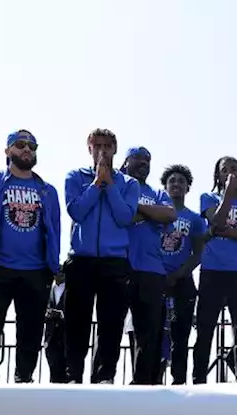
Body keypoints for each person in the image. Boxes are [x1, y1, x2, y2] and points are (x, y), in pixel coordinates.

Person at [0, 130, 62, 383]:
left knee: (30, 332)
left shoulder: (47, 191)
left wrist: (53, 262)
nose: (27, 150)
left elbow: (55, 228)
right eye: (20, 145)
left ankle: (24, 380)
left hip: (36, 270)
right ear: (8, 151)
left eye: (32, 146)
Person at [63, 129, 141, 384]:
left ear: (116, 149)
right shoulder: (76, 177)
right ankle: (73, 374)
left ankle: (104, 376)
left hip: (114, 261)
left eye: (108, 146)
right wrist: (97, 183)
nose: (103, 151)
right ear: (89, 148)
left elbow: (124, 217)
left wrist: (109, 185)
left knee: (111, 323)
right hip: (82, 259)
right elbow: (77, 211)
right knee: (77, 322)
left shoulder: (129, 184)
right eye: (97, 145)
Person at [193, 157, 237, 383]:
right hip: (211, 270)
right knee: (205, 327)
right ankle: (199, 379)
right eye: (224, 170)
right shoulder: (207, 198)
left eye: (234, 169)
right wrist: (227, 195)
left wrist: (222, 232)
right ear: (217, 175)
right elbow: (216, 222)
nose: (229, 173)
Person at [123, 147, 178, 385]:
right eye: (138, 159)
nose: (144, 163)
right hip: (119, 266)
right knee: (111, 329)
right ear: (125, 162)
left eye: (148, 160)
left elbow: (169, 215)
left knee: (150, 334)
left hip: (152, 271)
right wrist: (151, 214)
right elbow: (118, 214)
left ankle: (143, 385)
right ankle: (103, 384)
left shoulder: (156, 192)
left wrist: (136, 209)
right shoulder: (118, 185)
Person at [155, 164, 207, 385]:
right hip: (155, 278)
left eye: (181, 181)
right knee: (154, 331)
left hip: (182, 280)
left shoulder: (194, 219)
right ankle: (152, 380)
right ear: (165, 186)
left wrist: (179, 274)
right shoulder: (155, 213)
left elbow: (198, 253)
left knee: (181, 333)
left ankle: (179, 381)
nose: (176, 184)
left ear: (188, 188)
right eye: (172, 181)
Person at [44, 268, 68, 383]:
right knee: (53, 368)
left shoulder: (70, 288)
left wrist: (61, 314)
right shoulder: (48, 288)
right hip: (51, 336)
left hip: (65, 335)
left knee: (64, 370)